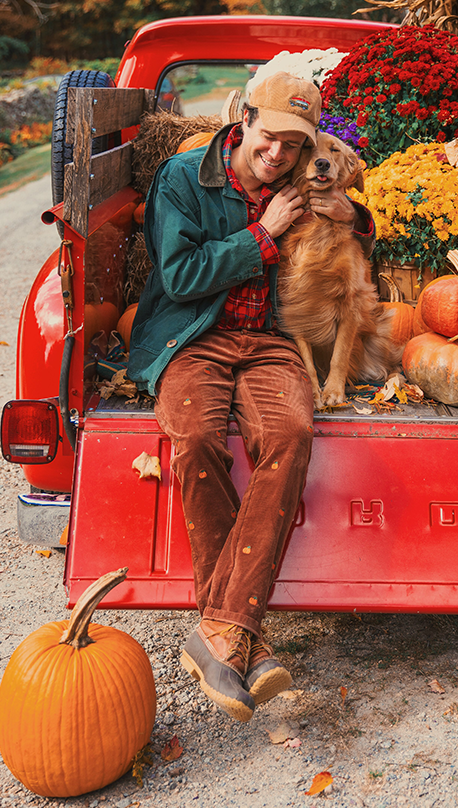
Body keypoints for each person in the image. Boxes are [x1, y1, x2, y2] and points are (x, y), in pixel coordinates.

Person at [128, 71, 374, 722]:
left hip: (268, 340)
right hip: (193, 335)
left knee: (291, 434)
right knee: (196, 436)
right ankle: (242, 635)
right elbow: (178, 276)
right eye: (270, 137)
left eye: (294, 145)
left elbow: (350, 211)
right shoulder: (181, 180)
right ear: (243, 119)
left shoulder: (297, 179)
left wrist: (360, 218)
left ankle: (218, 633)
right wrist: (262, 234)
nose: (278, 154)